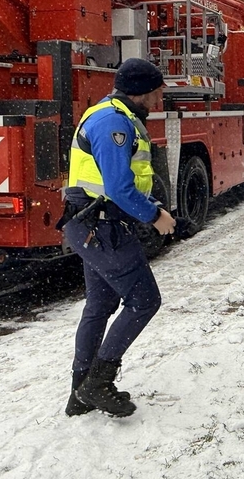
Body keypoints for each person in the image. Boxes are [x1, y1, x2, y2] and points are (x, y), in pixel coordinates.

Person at [60, 58, 176, 418]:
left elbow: (124, 182)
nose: (159, 98)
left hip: (92, 224)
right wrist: (155, 216)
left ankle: (80, 392)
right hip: (101, 226)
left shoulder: (113, 114)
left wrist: (153, 206)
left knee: (100, 304)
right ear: (142, 91)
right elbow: (118, 187)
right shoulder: (114, 122)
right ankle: (97, 382)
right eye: (156, 91)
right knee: (144, 301)